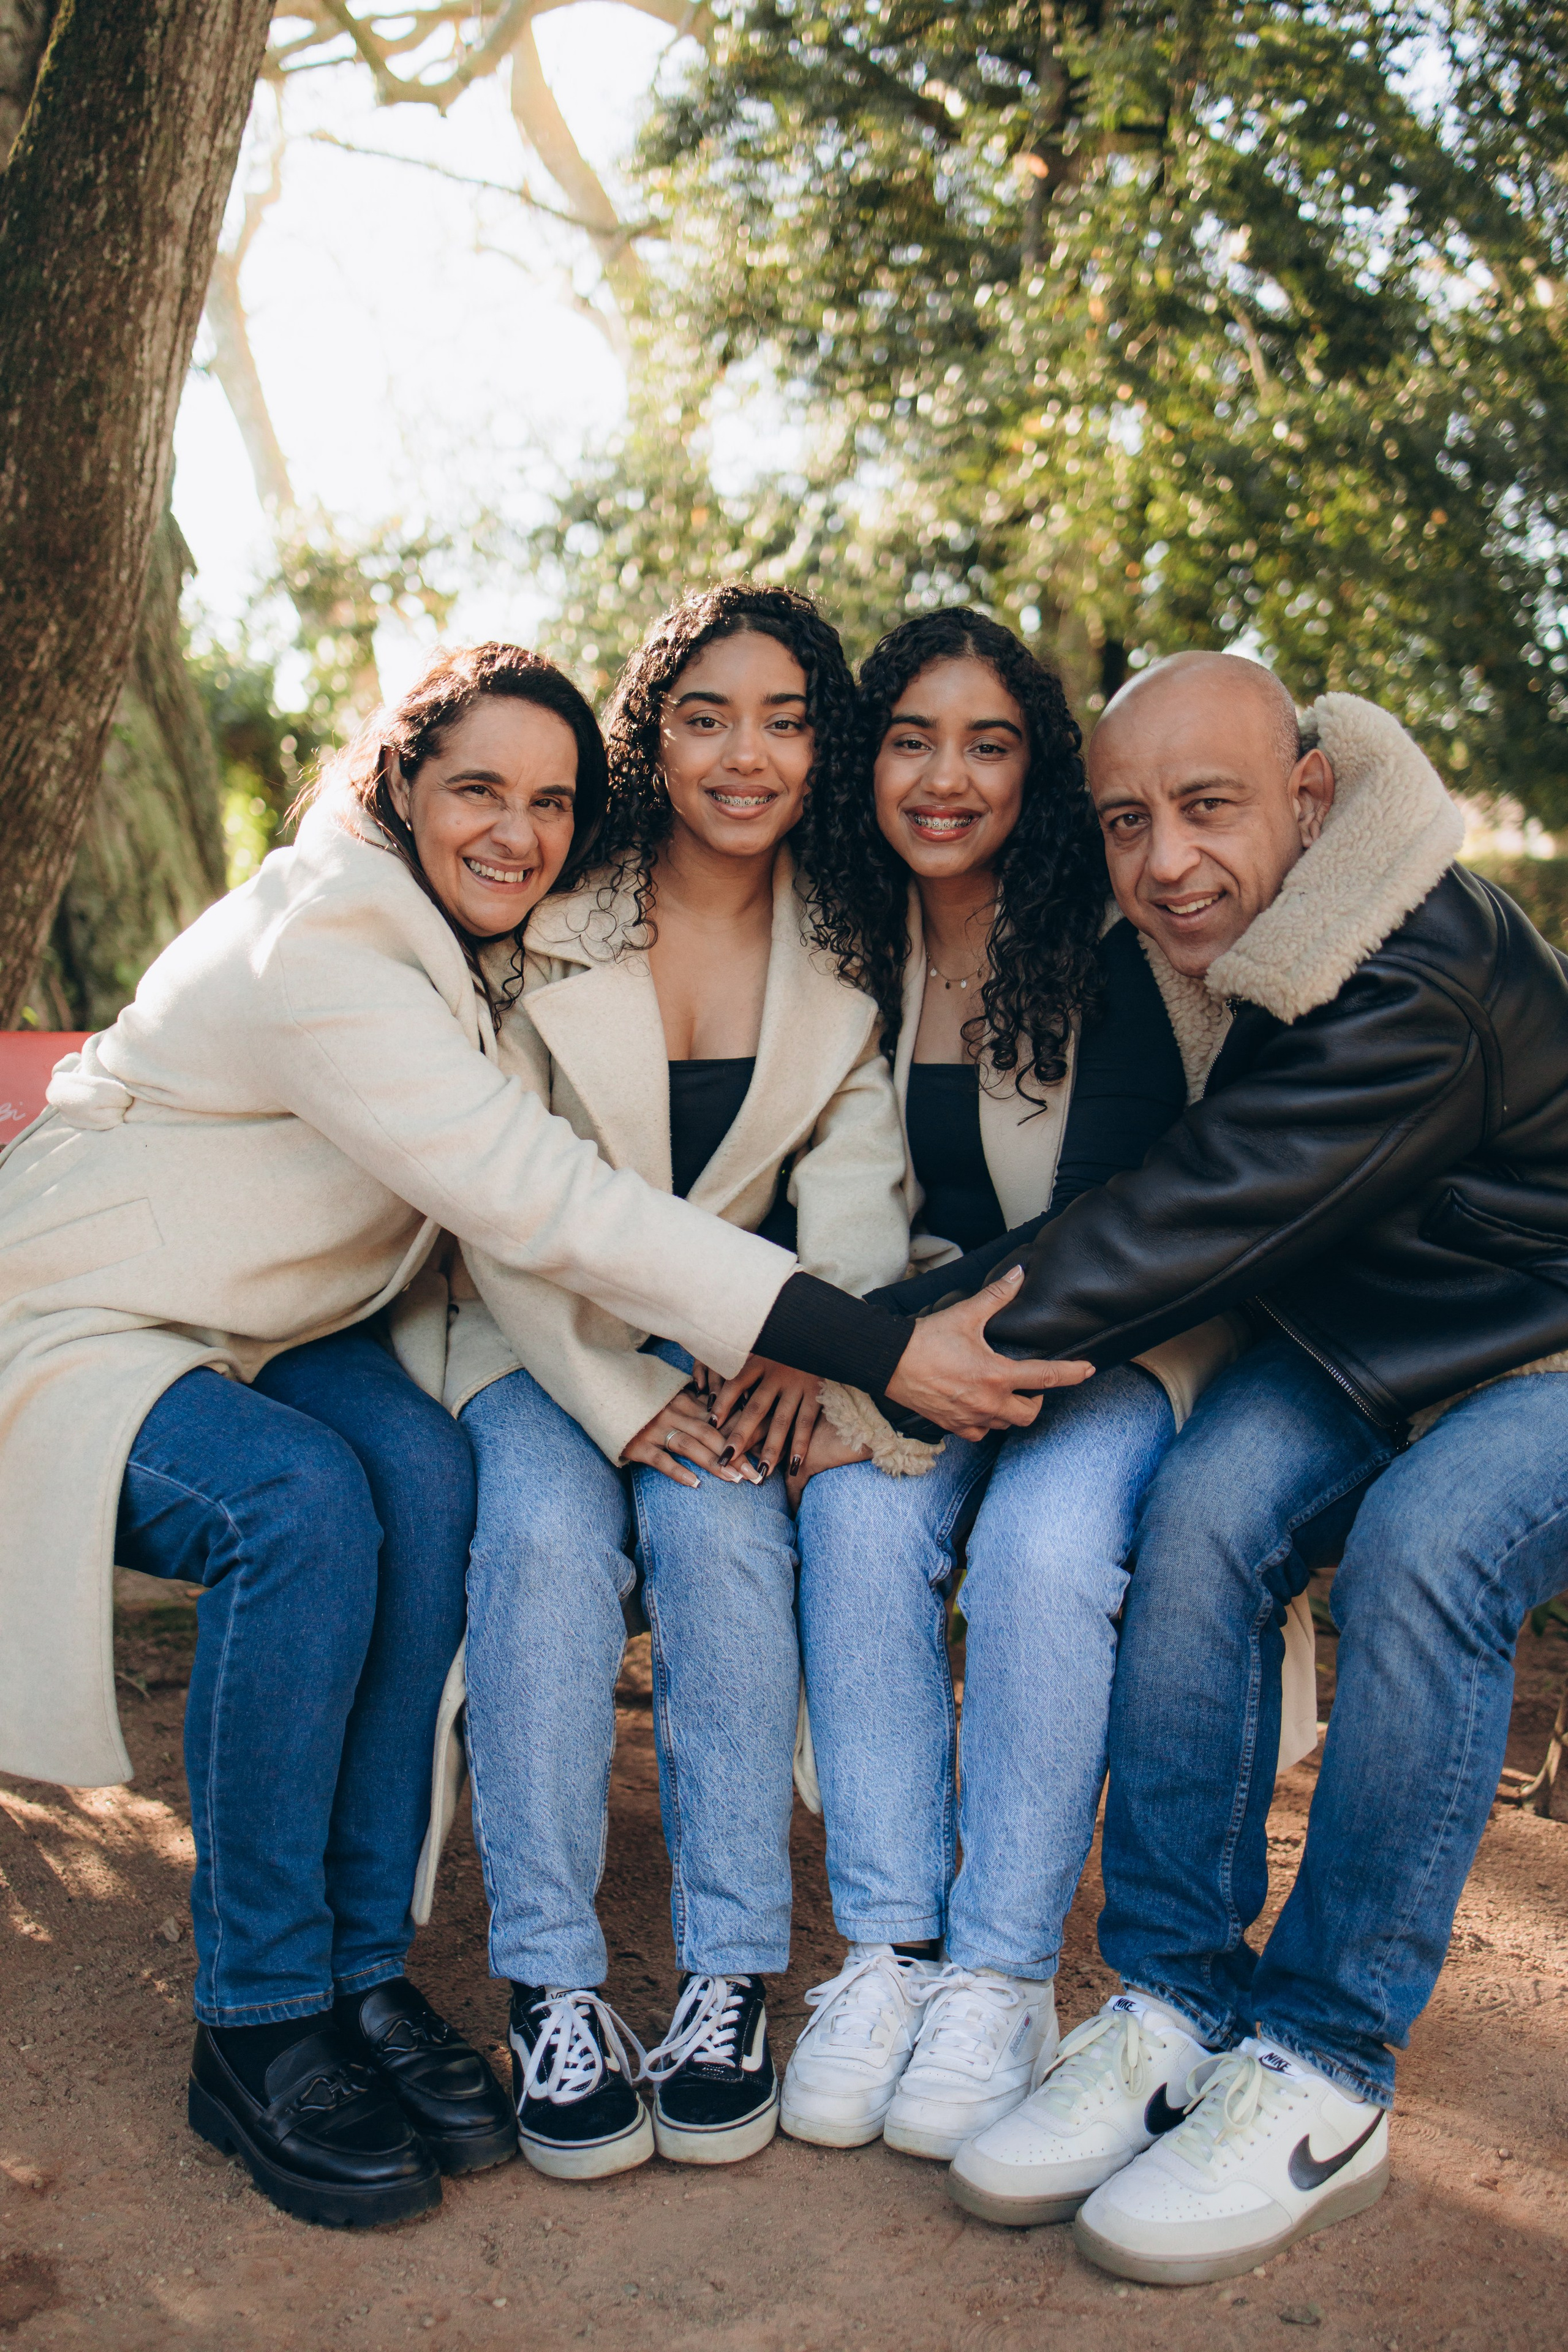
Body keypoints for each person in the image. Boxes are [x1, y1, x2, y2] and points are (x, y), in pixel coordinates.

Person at [0, 642, 1071, 2231]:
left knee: (424, 1479)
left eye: (552, 802)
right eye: (477, 790)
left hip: (273, 1324)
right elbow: (537, 1197)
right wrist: (877, 1349)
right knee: (300, 1506)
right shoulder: (330, 931)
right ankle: (258, 2020)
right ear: (399, 781)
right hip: (91, 1313)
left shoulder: (475, 931)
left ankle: (361, 1974)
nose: (515, 830)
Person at [935, 652, 1568, 2283]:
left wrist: (866, 1361)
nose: (1166, 863)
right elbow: (1144, 1200)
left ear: (1306, 797)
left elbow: (1175, 1219)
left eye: (1207, 808)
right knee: (1202, 1509)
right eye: (1126, 822)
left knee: (1429, 1547)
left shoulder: (1415, 958)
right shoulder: (1218, 943)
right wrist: (865, 1328)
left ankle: (1322, 2065)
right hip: (1366, 1331)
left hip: (1543, 1342)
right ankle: (1172, 2003)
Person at [447, 586, 1065, 2181]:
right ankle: (551, 1986)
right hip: (535, 1336)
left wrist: (815, 1334)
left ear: (820, 746)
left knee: (726, 1537)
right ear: (651, 738)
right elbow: (501, 1201)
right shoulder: (550, 913)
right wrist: (615, 1400)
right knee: (544, 1542)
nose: (747, 755)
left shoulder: (842, 939)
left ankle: (727, 1979)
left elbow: (856, 1170)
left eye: (786, 721)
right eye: (707, 716)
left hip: (724, 1334)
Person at [775, 613, 1314, 2160]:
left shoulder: (1107, 943)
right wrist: (857, 1346)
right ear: (865, 762)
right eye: (910, 739)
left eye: (988, 744)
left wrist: (846, 1351)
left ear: (1039, 776)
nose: (944, 778)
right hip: (915, 1327)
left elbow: (1102, 1227)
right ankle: (892, 1952)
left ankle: (1001, 1975)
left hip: (1121, 1332)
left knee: (1043, 1546)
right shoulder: (841, 937)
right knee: (855, 1524)